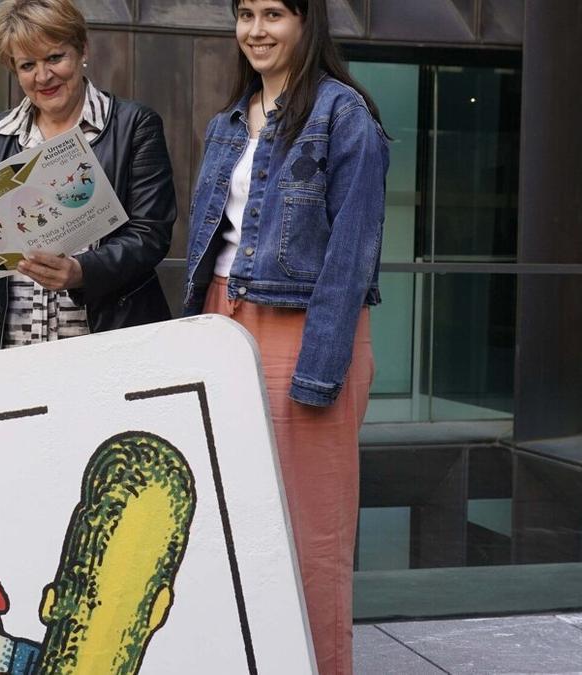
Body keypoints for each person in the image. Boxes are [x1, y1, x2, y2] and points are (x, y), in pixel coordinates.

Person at [183, 1, 388, 672]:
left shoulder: (343, 115)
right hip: (223, 320)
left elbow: (351, 258)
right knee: (229, 518)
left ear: (307, 23)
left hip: (307, 327)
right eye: (245, 13)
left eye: (275, 13)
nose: (256, 30)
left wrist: (319, 372)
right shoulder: (224, 125)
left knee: (312, 532)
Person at [0, 0, 175, 347]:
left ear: (82, 48)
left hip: (110, 337)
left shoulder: (133, 126)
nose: (43, 76)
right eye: (28, 65)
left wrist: (82, 272)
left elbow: (151, 234)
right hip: (18, 341)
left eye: (55, 58)